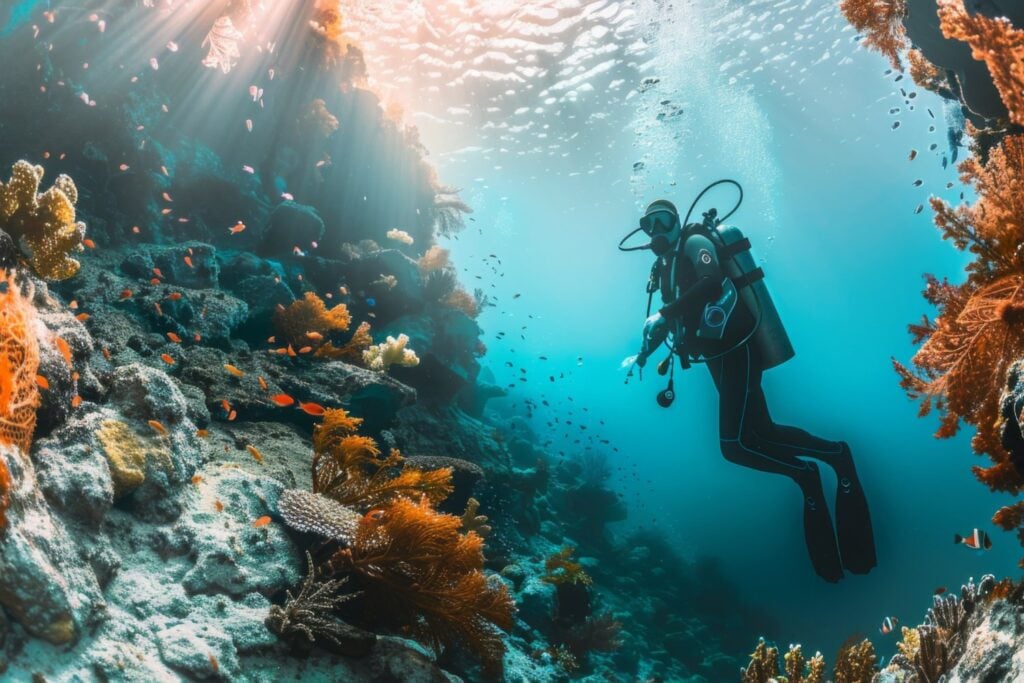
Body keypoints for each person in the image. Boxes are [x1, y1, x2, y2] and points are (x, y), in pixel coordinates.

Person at [621, 190, 876, 582]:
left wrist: (665, 312)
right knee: (761, 432)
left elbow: (709, 284)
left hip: (735, 350)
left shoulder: (695, 242)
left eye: (663, 222)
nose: (656, 231)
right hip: (718, 359)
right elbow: (671, 321)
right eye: (648, 225)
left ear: (676, 222)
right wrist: (642, 354)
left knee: (734, 446)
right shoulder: (665, 266)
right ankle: (832, 456)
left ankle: (812, 471)